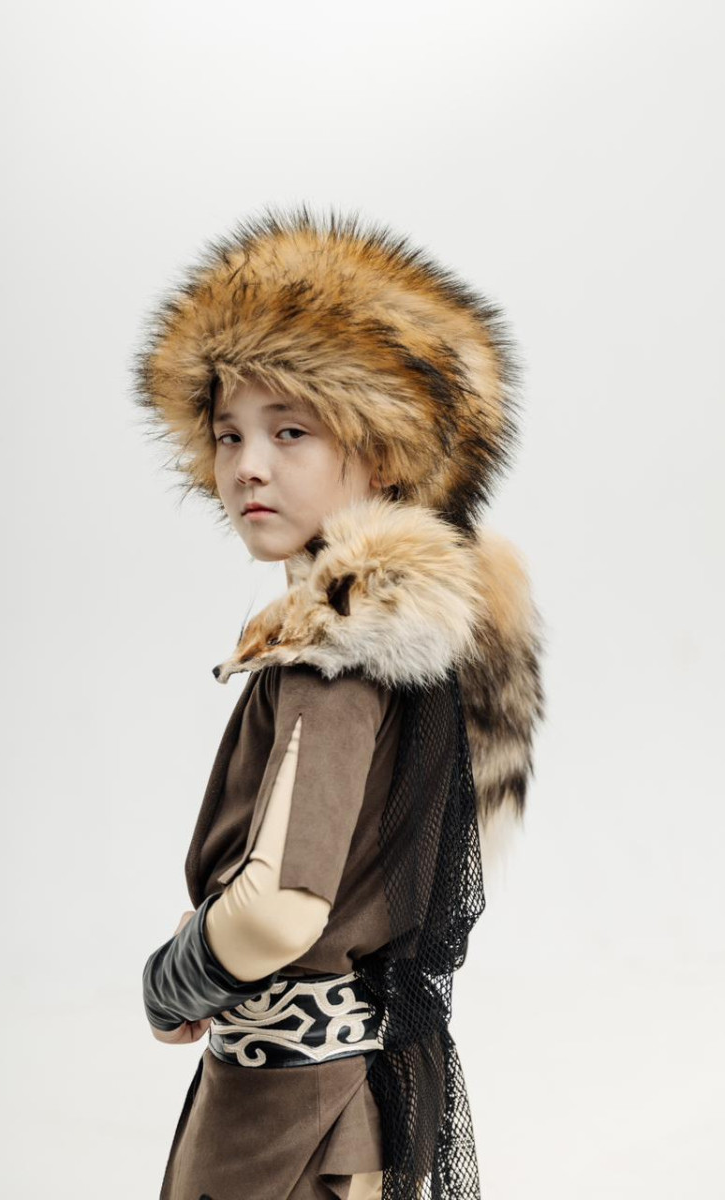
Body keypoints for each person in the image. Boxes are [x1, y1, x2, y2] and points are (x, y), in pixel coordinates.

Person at [132, 205, 546, 1200]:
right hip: (351, 1098)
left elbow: (281, 909)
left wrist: (174, 978)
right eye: (228, 434)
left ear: (385, 451)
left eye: (290, 430)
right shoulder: (402, 651)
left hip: (289, 1121)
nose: (248, 464)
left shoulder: (332, 659)